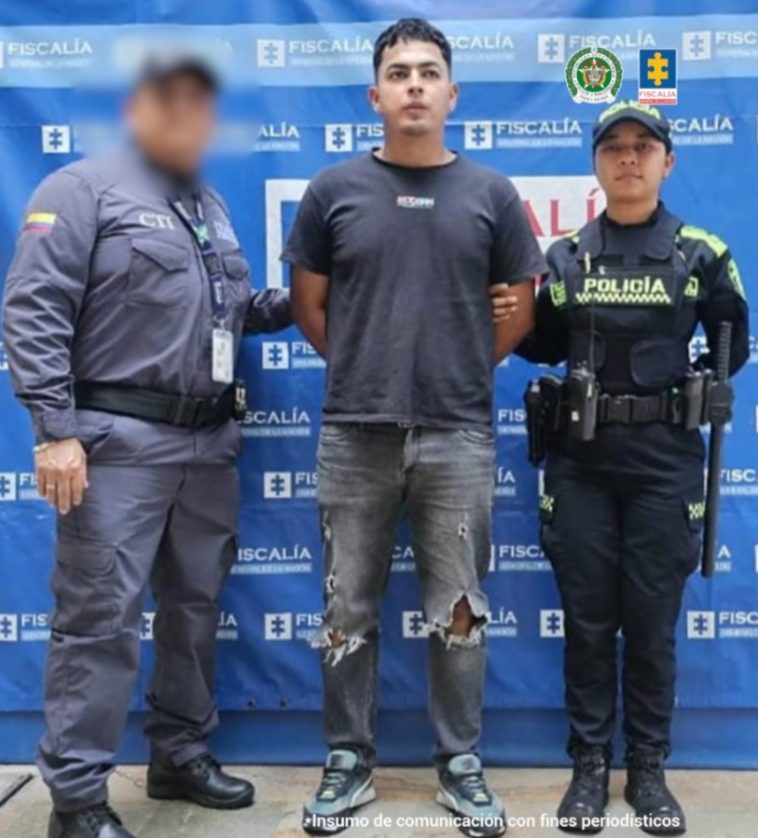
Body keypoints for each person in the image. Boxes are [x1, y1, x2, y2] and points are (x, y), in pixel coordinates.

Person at [2, 51, 292, 838]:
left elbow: (230, 311)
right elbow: (33, 312)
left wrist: (304, 298)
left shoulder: (209, 204)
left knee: (194, 612)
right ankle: (77, 799)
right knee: (100, 622)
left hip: (206, 447)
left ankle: (180, 756)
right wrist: (54, 432)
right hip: (116, 445)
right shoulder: (80, 190)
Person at [282, 18, 546, 838]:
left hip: (458, 435)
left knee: (460, 609)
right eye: (399, 73)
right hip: (353, 432)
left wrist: (462, 368)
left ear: (453, 93)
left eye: (430, 72)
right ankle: (347, 760)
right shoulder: (333, 191)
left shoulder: (492, 194)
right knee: (345, 609)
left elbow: (523, 308)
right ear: (376, 94)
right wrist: (365, 369)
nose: (415, 85)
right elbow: (309, 308)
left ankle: (460, 763)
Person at [517, 101, 749, 836]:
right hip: (580, 465)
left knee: (651, 625)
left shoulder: (702, 252)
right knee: (587, 623)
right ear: (595, 163)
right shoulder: (562, 257)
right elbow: (536, 343)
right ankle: (588, 767)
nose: (628, 158)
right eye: (613, 147)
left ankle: (647, 768)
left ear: (667, 161)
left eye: (643, 147)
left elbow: (732, 345)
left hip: (664, 466)